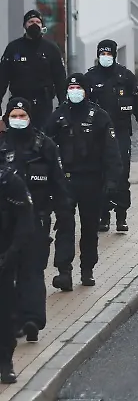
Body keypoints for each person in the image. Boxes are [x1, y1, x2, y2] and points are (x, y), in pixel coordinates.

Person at [43, 74, 123, 288]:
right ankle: (64, 271)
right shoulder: (58, 116)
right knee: (64, 226)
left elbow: (111, 152)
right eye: (71, 88)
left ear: (86, 91)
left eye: (78, 87)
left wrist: (113, 181)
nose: (74, 91)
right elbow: (45, 146)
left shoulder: (99, 117)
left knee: (89, 227)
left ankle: (87, 269)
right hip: (66, 181)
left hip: (92, 181)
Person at [0, 98, 69, 342]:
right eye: (14, 116)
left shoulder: (45, 146)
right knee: (8, 270)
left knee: (32, 268)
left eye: (22, 115)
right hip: (6, 221)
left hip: (36, 217)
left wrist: (64, 213)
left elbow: (59, 182)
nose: (18, 120)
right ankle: (13, 319)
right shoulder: (2, 146)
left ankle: (32, 318)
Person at [83, 39, 138, 232]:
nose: (105, 57)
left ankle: (121, 216)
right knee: (100, 174)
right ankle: (104, 216)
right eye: (102, 54)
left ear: (114, 55)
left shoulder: (126, 77)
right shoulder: (90, 77)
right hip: (97, 135)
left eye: (108, 54)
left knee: (121, 174)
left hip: (120, 132)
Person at [0, 10, 67, 125]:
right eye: (31, 22)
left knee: (42, 133)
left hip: (43, 104)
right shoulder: (13, 48)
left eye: (37, 22)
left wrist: (63, 104)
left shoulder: (51, 49)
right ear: (25, 25)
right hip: (18, 102)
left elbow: (60, 79)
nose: (34, 24)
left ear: (42, 26)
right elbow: (2, 78)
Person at [0, 165, 33, 384]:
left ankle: (5, 363)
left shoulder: (10, 182)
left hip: (4, 258)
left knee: (4, 312)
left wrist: (12, 253)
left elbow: (25, 220)